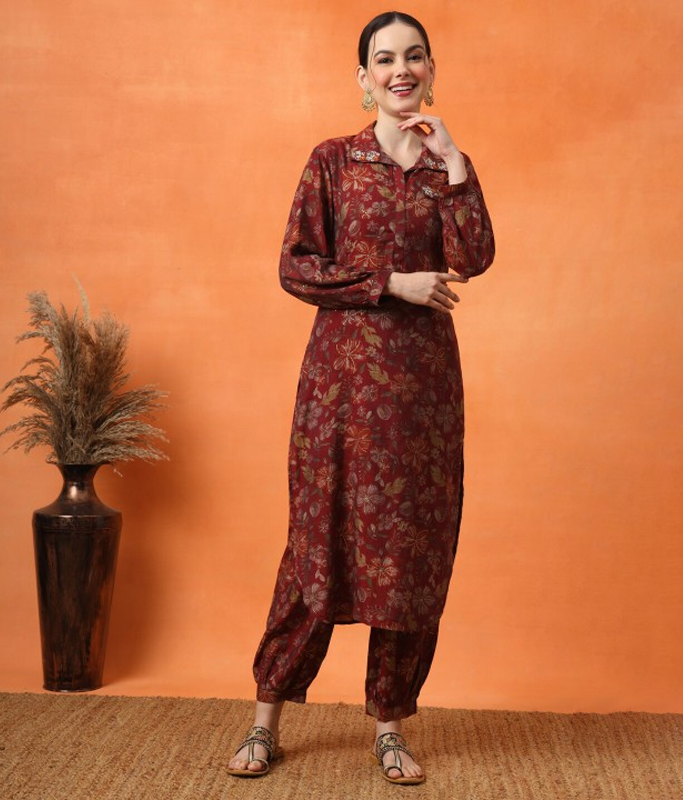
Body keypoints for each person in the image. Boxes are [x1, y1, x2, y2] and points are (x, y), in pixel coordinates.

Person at [226, 10, 494, 785]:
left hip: (423, 396)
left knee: (412, 552)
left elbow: (475, 256)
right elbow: (295, 265)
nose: (400, 69)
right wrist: (390, 283)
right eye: (385, 59)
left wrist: (456, 165)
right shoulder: (333, 161)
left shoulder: (447, 167)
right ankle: (265, 720)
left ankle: (390, 728)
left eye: (414, 56)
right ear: (363, 77)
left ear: (431, 69)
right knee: (318, 542)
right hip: (340, 389)